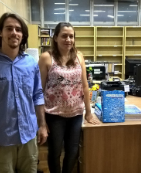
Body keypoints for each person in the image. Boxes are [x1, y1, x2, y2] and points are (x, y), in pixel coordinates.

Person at [0, 12, 47, 173]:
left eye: (18, 29)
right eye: (9, 28)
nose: (14, 33)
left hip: (28, 136)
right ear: (0, 32)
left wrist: (42, 125)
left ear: (23, 34)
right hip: (2, 139)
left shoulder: (31, 63)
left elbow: (38, 95)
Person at [38, 22, 100, 173]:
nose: (68, 39)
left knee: (73, 151)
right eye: (64, 36)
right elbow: (39, 90)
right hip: (54, 114)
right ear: (56, 38)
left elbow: (85, 86)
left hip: (76, 114)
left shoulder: (79, 56)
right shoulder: (46, 58)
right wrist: (42, 122)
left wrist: (89, 113)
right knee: (55, 151)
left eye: (71, 36)